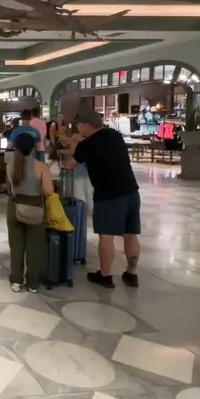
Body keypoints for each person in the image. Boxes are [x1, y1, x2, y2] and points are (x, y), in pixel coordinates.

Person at [64, 111, 141, 289]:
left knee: (106, 235)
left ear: (85, 124)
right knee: (131, 233)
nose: (77, 128)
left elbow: (70, 164)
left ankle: (105, 275)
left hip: (108, 194)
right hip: (131, 190)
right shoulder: (115, 135)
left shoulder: (87, 144)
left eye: (78, 125)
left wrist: (67, 161)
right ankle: (132, 274)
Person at [6, 132, 55, 293]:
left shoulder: (10, 165)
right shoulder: (41, 167)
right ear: (34, 147)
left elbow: (8, 188)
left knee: (16, 246)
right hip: (35, 210)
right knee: (34, 248)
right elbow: (49, 191)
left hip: (14, 208)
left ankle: (16, 280)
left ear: (15, 147)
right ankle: (33, 283)